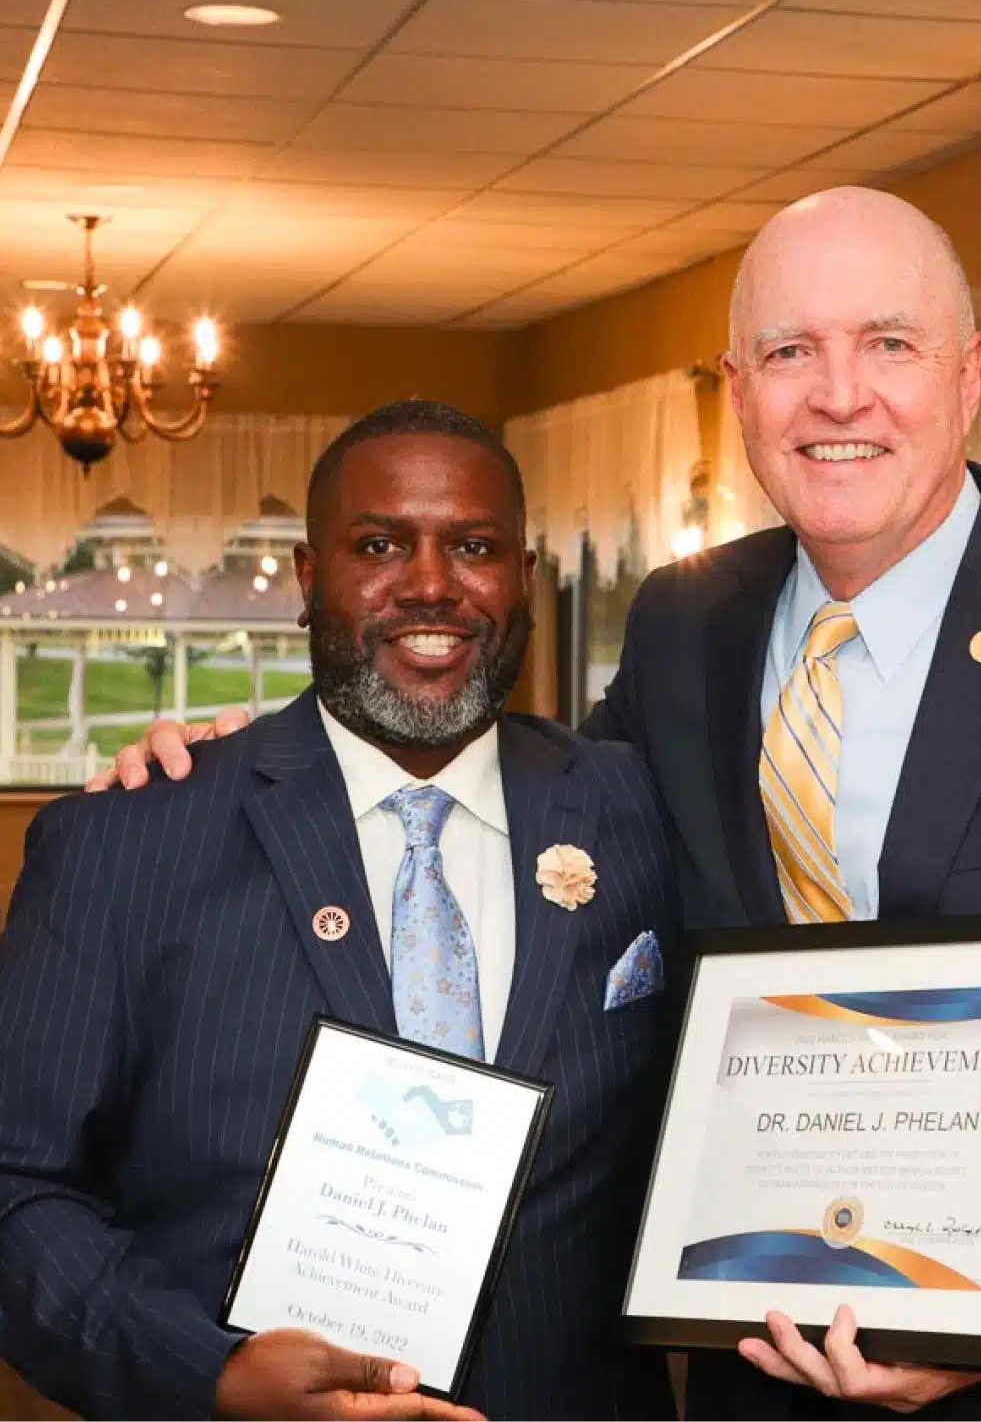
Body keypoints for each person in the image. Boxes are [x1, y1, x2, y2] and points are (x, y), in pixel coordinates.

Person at [96, 186, 981, 1419]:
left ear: (969, 374)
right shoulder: (687, 623)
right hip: (748, 1381)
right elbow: (529, 801)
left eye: (888, 342)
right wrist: (249, 753)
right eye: (791, 352)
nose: (839, 394)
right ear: (741, 392)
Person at [0, 401, 680, 1421]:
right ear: (310, 581)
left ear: (524, 581)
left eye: (475, 546)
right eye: (378, 544)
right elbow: (16, 1189)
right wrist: (210, 1372)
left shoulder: (641, 808)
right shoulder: (124, 844)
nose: (430, 583)